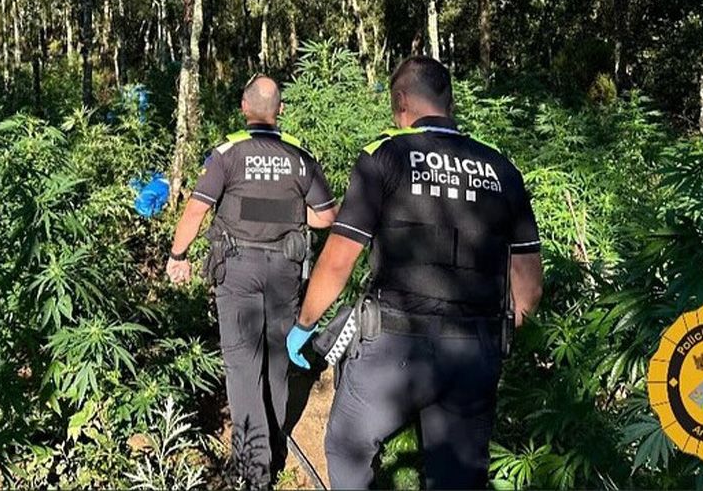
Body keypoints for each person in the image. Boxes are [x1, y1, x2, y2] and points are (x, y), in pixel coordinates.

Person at [285, 57, 544, 490]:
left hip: (393, 350)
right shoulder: (502, 170)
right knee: (457, 479)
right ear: (450, 100)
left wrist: (304, 324)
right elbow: (530, 286)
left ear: (401, 100)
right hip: (472, 352)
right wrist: (490, 338)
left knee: (347, 448)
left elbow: (338, 259)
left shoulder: (385, 156)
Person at [168, 75, 338, 490]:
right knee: (277, 363)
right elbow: (325, 217)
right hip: (284, 271)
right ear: (278, 111)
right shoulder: (299, 156)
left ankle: (252, 471)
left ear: (245, 108)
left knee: (243, 367)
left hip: (237, 271)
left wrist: (177, 256)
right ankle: (275, 451)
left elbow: (195, 211)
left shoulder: (228, 154)